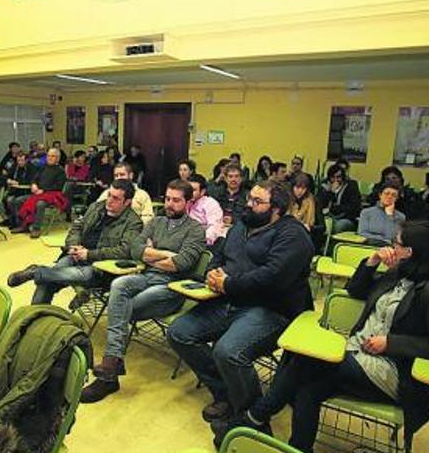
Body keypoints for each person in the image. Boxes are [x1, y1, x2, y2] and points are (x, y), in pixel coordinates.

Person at [216, 221, 429, 452]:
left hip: (393, 371)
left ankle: (254, 417)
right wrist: (372, 261)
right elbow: (355, 290)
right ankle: (298, 447)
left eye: (396, 244)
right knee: (307, 387)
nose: (390, 248)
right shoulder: (398, 275)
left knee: (306, 360)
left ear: (410, 252)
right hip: (357, 353)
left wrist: (391, 343)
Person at [168, 180, 314, 426]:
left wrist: (228, 284)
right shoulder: (242, 225)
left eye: (257, 202)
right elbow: (219, 255)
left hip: (270, 309)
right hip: (228, 300)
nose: (248, 204)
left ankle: (250, 418)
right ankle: (225, 392)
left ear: (276, 208)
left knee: (228, 352)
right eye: (250, 198)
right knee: (179, 332)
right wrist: (213, 274)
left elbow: (273, 276)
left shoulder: (293, 234)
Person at [80, 180, 206, 403]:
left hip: (171, 288)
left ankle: (109, 374)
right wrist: (165, 254)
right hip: (146, 277)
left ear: (188, 202)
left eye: (176, 200)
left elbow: (182, 263)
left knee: (118, 305)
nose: (170, 204)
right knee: (119, 286)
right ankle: (113, 363)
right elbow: (135, 250)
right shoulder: (156, 222)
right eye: (167, 198)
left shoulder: (195, 230)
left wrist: (152, 253)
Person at [7, 179, 144, 304]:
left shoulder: (133, 223)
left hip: (101, 268)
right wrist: (73, 245)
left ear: (127, 202)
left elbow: (124, 251)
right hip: (76, 255)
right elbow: (77, 227)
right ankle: (36, 316)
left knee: (55, 276)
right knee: (49, 278)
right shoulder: (96, 207)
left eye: (115, 198)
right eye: (109, 195)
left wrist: (89, 254)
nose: (109, 200)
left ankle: (35, 272)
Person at [13, 148, 68, 239]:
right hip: (38, 193)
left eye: (53, 156)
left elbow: (58, 186)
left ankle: (36, 228)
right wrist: (34, 184)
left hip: (52, 196)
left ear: (58, 158)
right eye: (48, 155)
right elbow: (34, 179)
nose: (50, 158)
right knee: (18, 200)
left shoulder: (61, 171)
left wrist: (43, 190)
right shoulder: (42, 168)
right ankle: (24, 225)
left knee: (40, 204)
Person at [316, 163, 361, 233]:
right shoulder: (324, 186)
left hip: (346, 218)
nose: (335, 180)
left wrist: (335, 208)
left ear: (343, 177)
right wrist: (330, 193)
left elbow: (354, 207)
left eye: (338, 177)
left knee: (338, 226)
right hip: (327, 216)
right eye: (333, 177)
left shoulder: (351, 186)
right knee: (320, 224)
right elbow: (320, 204)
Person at [187, 174, 225, 247]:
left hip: (204, 243)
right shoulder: (185, 201)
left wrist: (199, 241)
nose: (189, 193)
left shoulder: (210, 204)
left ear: (202, 191)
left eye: (194, 190)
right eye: (188, 189)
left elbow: (215, 228)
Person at [2, 152, 36, 228]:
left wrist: (19, 183)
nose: (20, 162)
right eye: (18, 160)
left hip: (27, 192)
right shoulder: (15, 167)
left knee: (17, 201)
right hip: (16, 191)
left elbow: (33, 181)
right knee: (9, 200)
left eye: (22, 160)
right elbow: (6, 177)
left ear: (26, 160)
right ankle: (13, 220)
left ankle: (21, 223)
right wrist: (10, 180)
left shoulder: (32, 168)